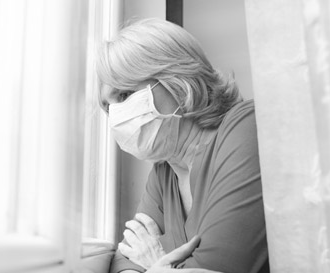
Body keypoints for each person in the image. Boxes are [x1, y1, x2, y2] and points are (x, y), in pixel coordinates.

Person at [96, 18, 269, 273]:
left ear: (177, 81)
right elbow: (125, 261)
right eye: (108, 107)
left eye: (124, 95)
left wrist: (157, 265)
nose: (116, 115)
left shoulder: (245, 126)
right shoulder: (164, 173)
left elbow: (221, 266)